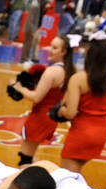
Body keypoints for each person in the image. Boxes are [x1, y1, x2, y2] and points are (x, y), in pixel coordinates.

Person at [56, 36, 106, 173]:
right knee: (74, 175)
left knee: (67, 180)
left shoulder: (78, 79)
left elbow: (71, 113)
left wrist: (61, 111)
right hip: (100, 135)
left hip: (81, 134)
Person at [12, 34, 74, 163]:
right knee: (31, 155)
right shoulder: (70, 71)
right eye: (51, 46)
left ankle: (33, 180)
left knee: (25, 159)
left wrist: (20, 88)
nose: (50, 49)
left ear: (64, 52)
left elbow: (36, 97)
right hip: (51, 118)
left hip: (39, 117)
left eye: (55, 48)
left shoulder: (52, 71)